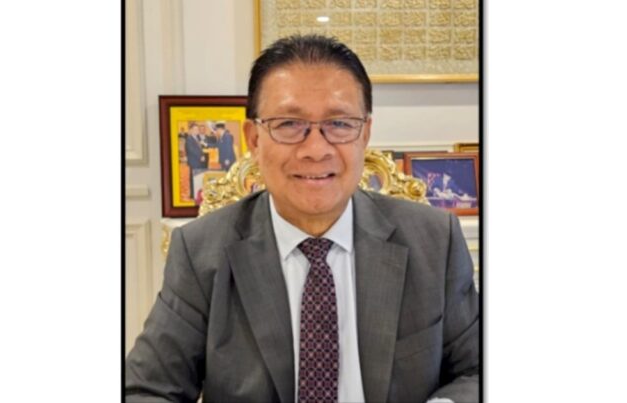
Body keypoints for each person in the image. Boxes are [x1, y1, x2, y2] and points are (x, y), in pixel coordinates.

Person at [125, 34, 479, 403]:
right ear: (254, 139)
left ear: (365, 134)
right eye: (289, 124)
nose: (315, 149)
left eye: (339, 123)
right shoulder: (201, 251)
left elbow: (476, 369)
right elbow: (147, 389)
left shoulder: (433, 240)